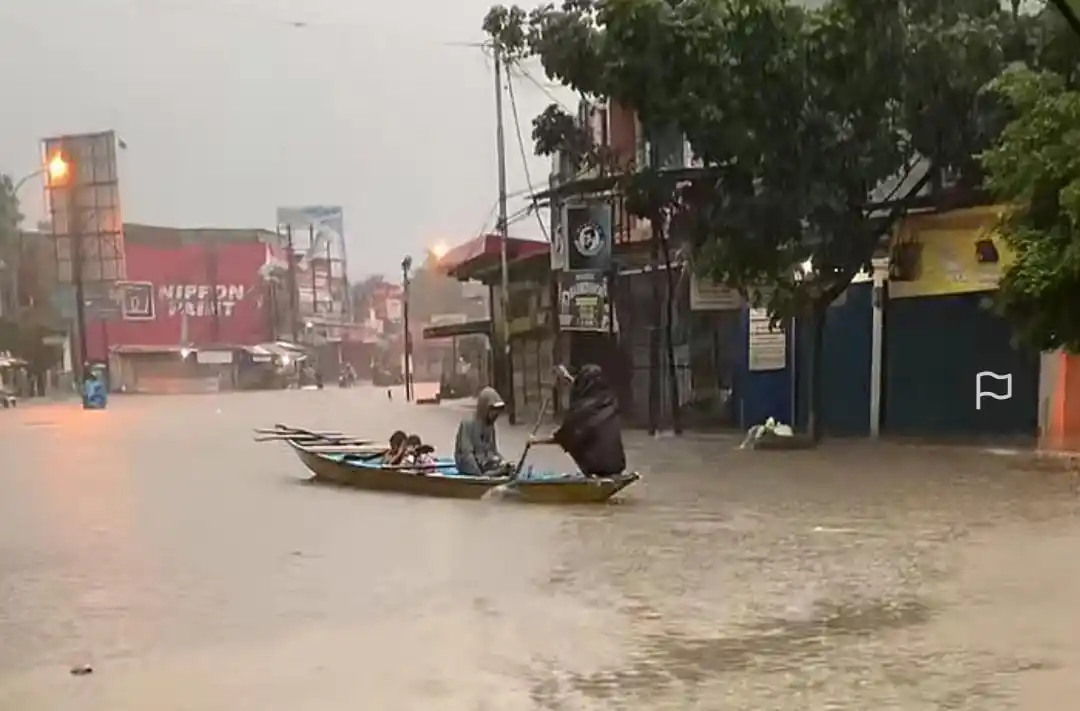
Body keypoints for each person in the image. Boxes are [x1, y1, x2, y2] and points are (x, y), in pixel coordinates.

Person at [529, 364, 625, 476]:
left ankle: (592, 472)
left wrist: (535, 440)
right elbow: (583, 388)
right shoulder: (610, 400)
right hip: (617, 465)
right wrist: (567, 377)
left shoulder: (581, 410)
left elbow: (564, 436)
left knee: (576, 438)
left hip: (597, 466)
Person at [454, 386, 508, 476]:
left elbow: (493, 451)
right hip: (469, 465)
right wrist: (480, 475)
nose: (496, 414)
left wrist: (503, 463)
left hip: (484, 463)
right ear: (485, 408)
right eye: (493, 410)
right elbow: (466, 454)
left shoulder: (490, 426)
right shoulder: (468, 423)